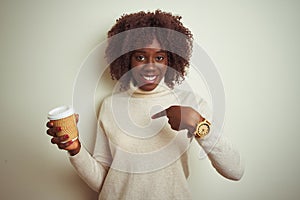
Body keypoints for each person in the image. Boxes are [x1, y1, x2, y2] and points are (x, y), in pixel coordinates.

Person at [46, 10, 244, 200]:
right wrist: (75, 149)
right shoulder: (110, 105)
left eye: (159, 57)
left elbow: (235, 171)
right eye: (140, 57)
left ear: (171, 60)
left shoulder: (191, 103)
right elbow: (106, 183)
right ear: (127, 59)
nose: (150, 65)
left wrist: (199, 125)